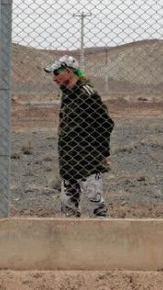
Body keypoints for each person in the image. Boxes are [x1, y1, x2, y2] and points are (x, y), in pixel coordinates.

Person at [44, 55, 114, 218]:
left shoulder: (87, 94)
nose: (54, 79)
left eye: (56, 73)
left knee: (96, 206)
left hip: (88, 161)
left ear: (68, 72)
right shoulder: (67, 94)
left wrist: (99, 154)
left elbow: (106, 124)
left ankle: (106, 238)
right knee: (68, 208)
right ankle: (70, 241)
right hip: (69, 161)